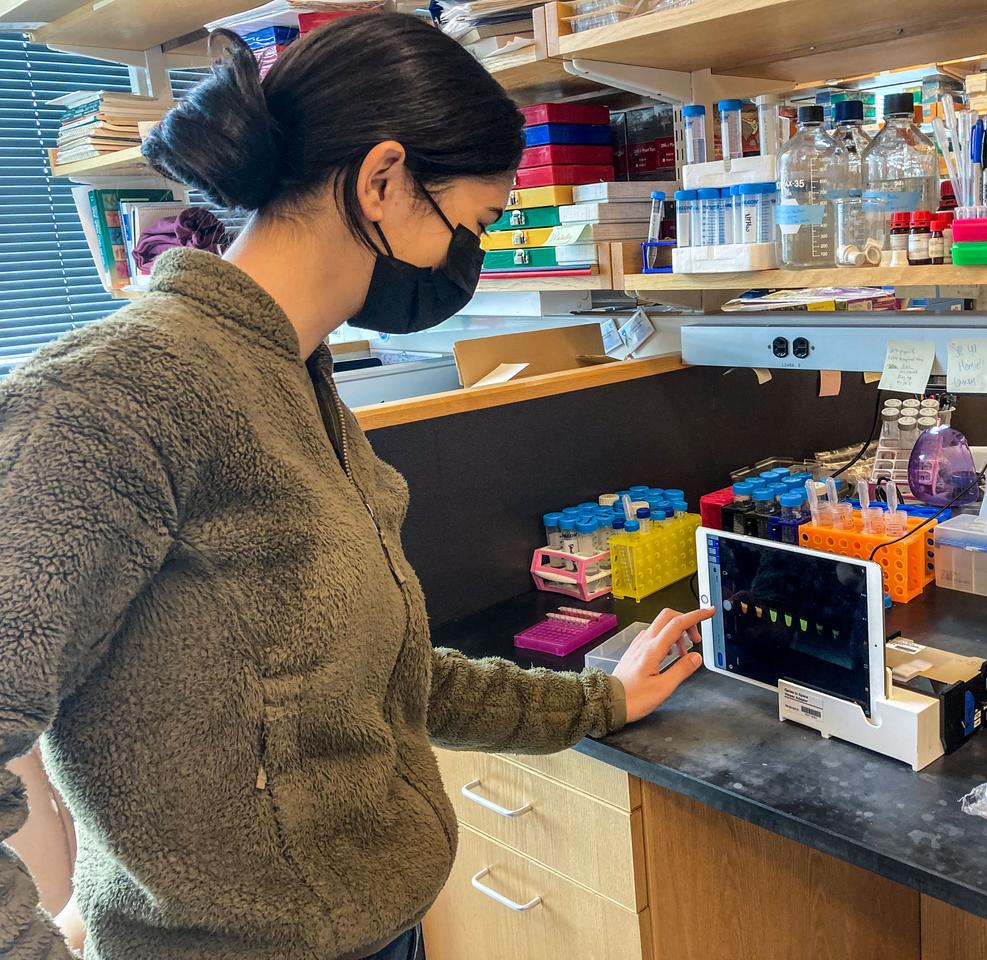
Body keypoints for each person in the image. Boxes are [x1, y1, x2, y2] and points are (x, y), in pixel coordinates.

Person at [0, 15, 710, 960]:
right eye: (478, 223)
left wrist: (597, 702)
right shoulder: (109, 397)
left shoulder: (294, 376)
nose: (476, 256)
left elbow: (382, 677)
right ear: (382, 182)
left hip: (380, 933)